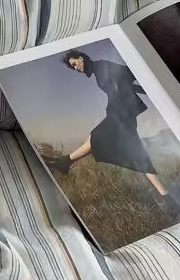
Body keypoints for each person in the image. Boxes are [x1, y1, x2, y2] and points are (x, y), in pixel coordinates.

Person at [44, 50, 167, 197]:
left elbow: (128, 73)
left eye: (75, 64)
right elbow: (127, 85)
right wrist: (149, 92)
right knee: (134, 151)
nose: (76, 69)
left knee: (97, 136)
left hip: (122, 114)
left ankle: (64, 162)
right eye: (73, 68)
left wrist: (153, 87)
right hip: (121, 113)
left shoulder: (102, 66)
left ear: (81, 58)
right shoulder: (98, 71)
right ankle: (166, 195)